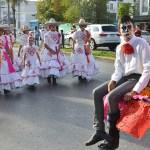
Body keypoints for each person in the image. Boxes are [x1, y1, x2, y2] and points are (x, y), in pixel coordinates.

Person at [85, 15, 150, 150]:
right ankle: (99, 130)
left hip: (136, 78)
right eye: (123, 28)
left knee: (112, 97)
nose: (126, 30)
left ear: (134, 28)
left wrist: (135, 90)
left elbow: (148, 70)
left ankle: (113, 140)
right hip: (124, 78)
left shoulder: (142, 43)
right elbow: (119, 68)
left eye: (129, 27)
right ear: (119, 31)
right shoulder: (120, 47)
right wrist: (114, 80)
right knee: (97, 92)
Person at [40, 18, 69, 85]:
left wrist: (58, 50)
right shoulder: (46, 34)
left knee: (55, 65)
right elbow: (45, 44)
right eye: (51, 25)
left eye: (54, 25)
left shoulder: (58, 34)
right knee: (48, 64)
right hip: (49, 51)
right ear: (49, 26)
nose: (53, 26)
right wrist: (51, 50)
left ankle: (54, 78)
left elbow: (60, 43)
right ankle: (49, 78)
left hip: (56, 50)